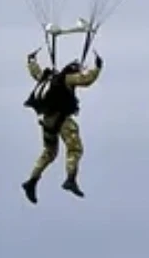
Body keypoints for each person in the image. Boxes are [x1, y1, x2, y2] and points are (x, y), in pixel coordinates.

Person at [20, 48, 103, 204]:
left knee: (49, 152)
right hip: (62, 120)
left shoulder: (49, 78)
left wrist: (31, 60)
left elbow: (36, 74)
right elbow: (87, 80)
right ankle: (70, 179)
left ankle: (31, 181)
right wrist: (98, 67)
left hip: (47, 120)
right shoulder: (67, 78)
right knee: (75, 149)